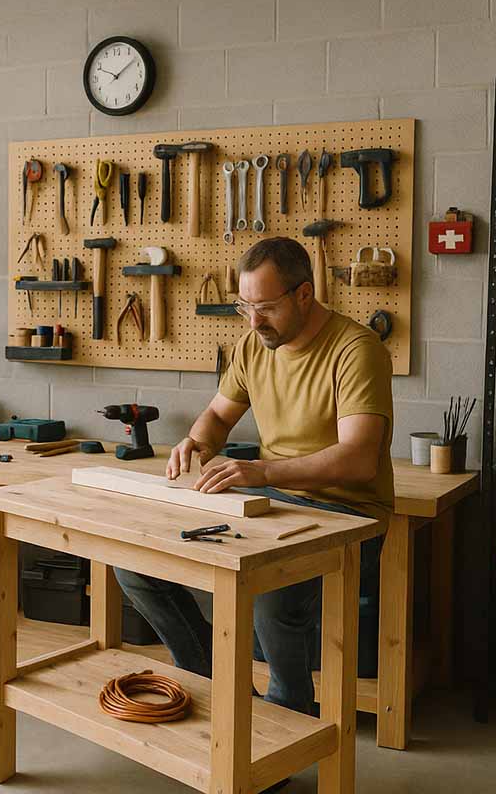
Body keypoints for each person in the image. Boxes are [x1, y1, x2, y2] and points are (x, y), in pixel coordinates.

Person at [115, 236, 394, 723]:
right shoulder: (252, 346)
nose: (253, 321)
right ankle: (221, 690)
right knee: (136, 563)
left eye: (264, 307)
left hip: (348, 515)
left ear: (304, 294)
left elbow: (359, 459)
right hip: (270, 502)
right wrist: (198, 442)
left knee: (271, 595)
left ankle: (285, 724)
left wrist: (260, 470)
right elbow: (218, 419)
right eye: (244, 306)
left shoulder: (356, 349)